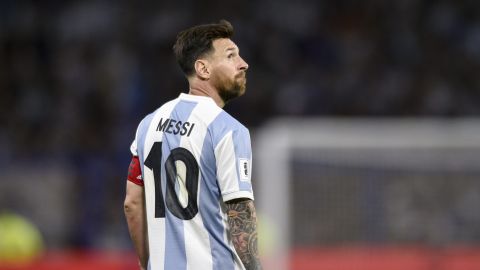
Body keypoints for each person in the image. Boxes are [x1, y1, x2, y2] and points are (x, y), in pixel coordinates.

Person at [123, 20, 262, 270]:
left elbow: (132, 204)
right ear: (203, 69)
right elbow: (240, 212)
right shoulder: (228, 130)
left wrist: (149, 265)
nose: (243, 63)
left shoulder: (148, 125)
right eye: (231, 56)